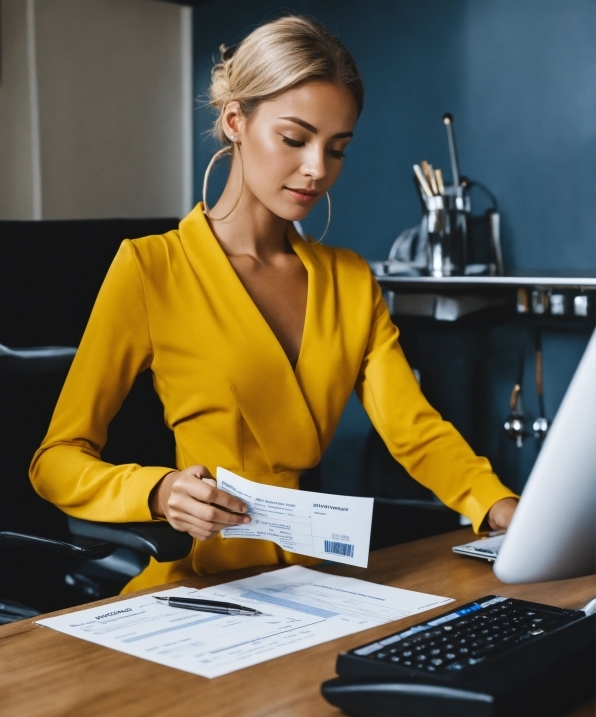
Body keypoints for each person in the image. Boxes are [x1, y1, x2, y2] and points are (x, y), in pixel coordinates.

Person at [30, 15, 517, 592]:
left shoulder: (352, 282)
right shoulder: (150, 268)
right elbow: (56, 458)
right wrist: (157, 492)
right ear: (236, 120)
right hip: (193, 589)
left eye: (337, 150)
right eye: (295, 139)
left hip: (309, 582)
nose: (317, 169)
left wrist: (503, 508)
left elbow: (417, 432)